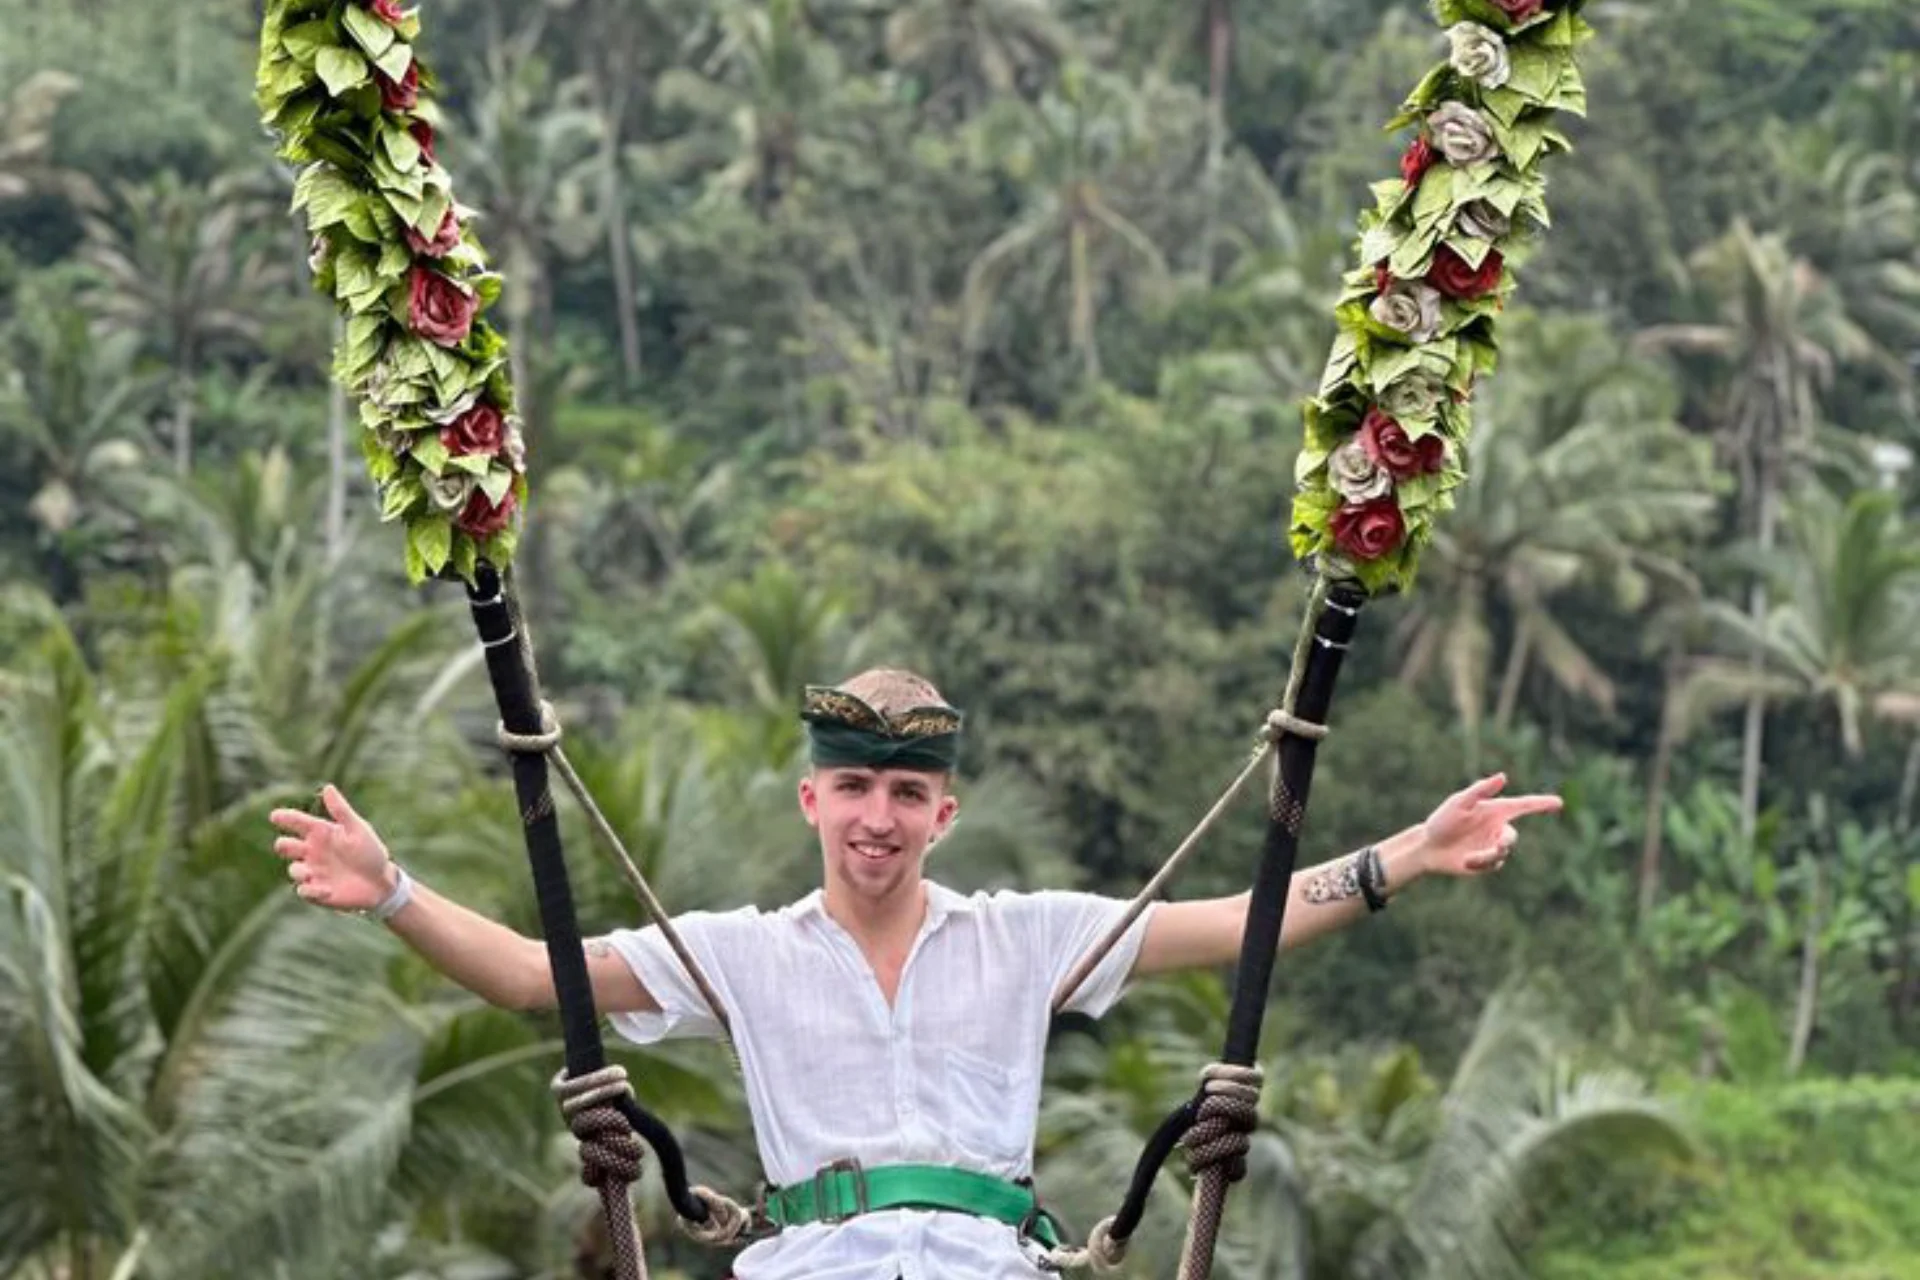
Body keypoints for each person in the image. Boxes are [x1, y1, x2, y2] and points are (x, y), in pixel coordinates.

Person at [268, 667, 1563, 1280]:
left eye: (905, 793)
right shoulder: (741, 956)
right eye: (853, 790)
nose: (875, 818)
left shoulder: (1027, 938)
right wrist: (390, 889)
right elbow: (533, 981)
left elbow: (1241, 923)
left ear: (943, 814)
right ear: (810, 801)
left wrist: (1408, 855)